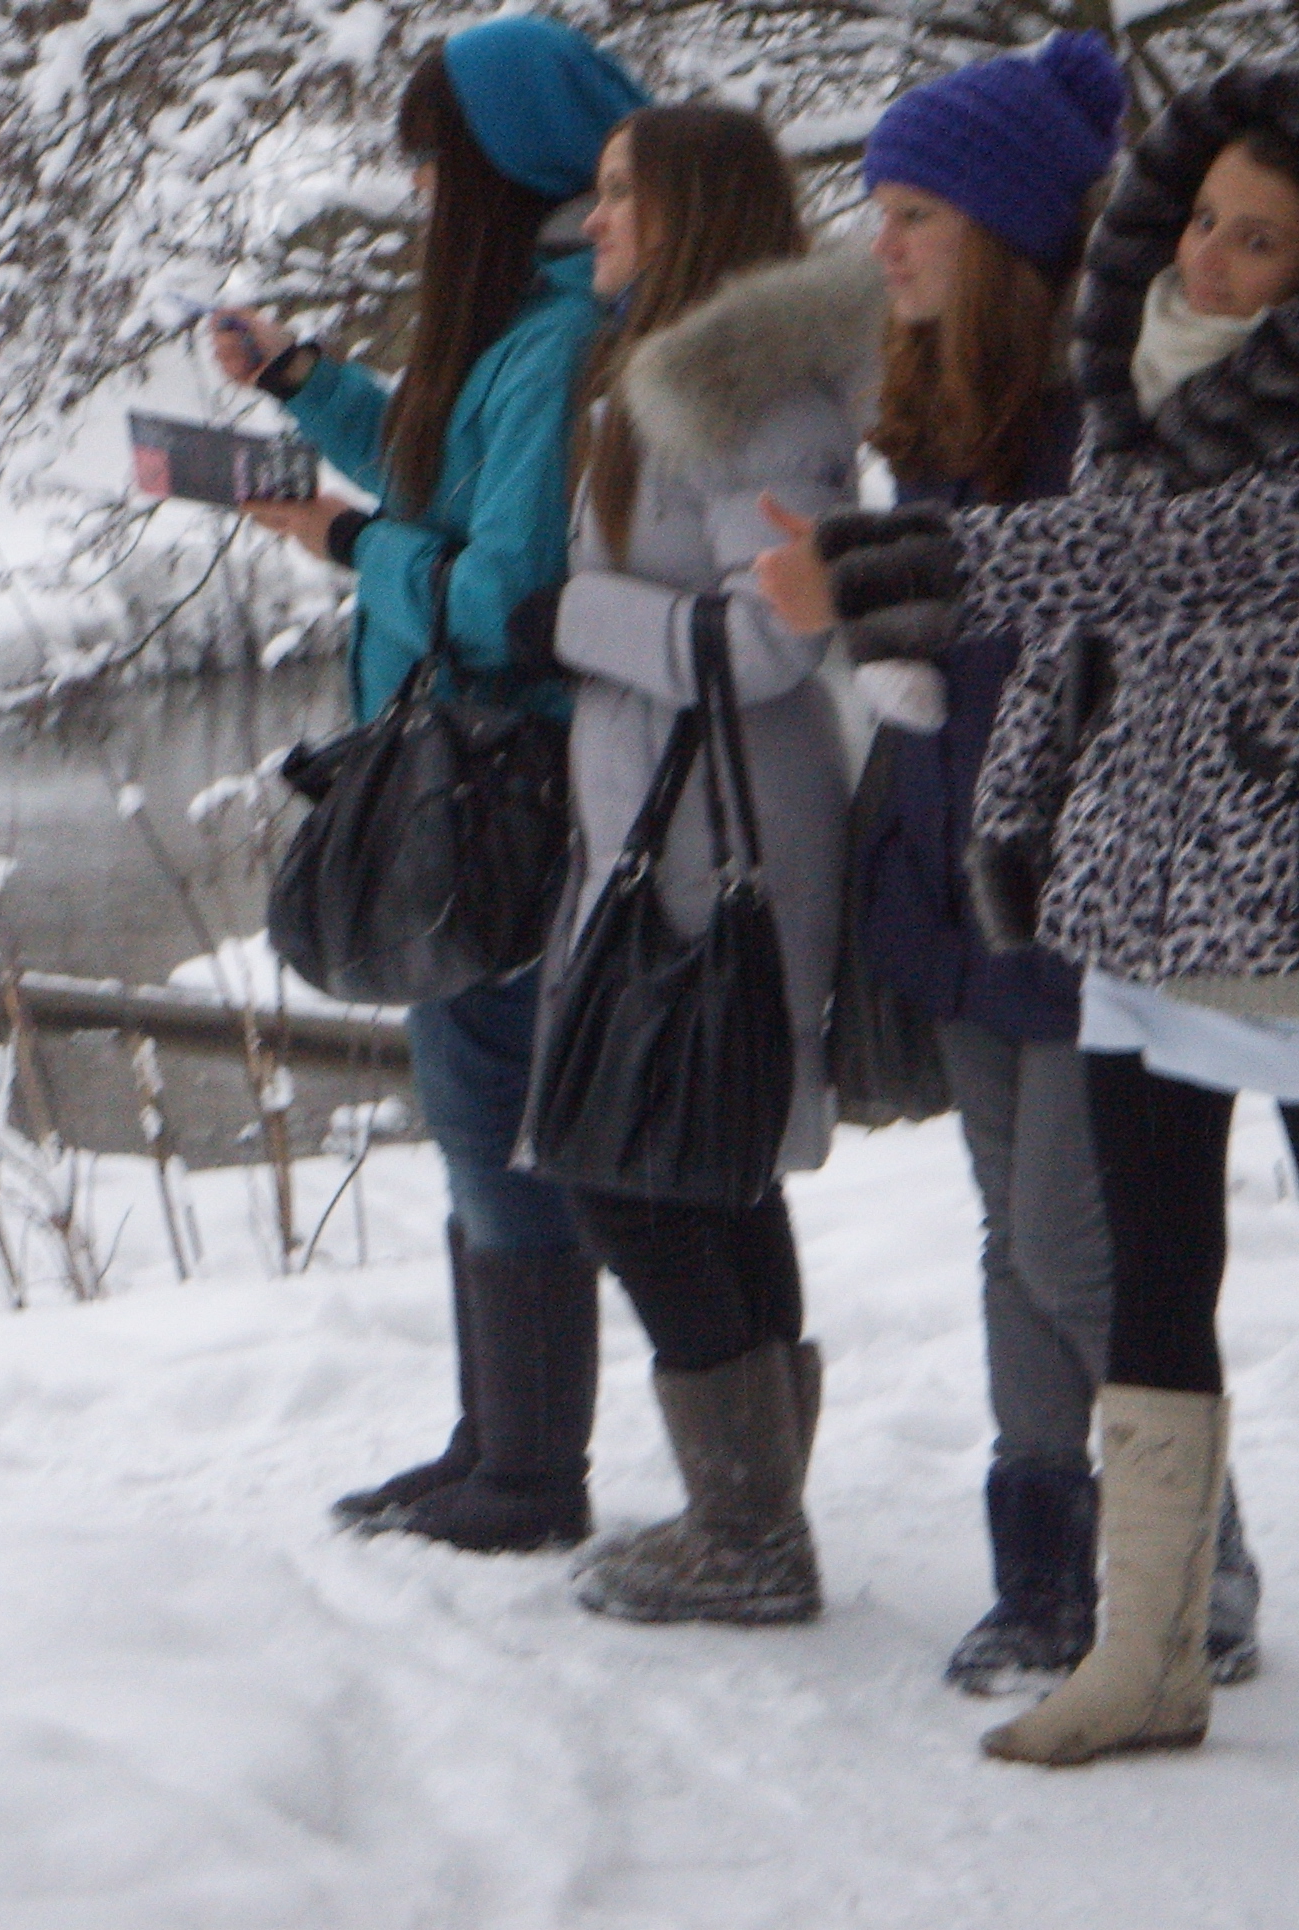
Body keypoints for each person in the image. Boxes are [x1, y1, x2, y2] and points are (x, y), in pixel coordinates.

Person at [773, 61, 1299, 1821]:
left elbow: (1155, 565)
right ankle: (1146, 1659)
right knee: (1155, 1293)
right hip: (1130, 922)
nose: (1221, 265)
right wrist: (1019, 830)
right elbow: (1083, 657)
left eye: (1266, 241)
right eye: (1208, 227)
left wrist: (876, 572)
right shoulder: (1142, 405)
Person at [778, 35, 1265, 1696]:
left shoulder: (1122, 410)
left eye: (912, 214)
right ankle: (1048, 1569)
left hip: (1091, 890)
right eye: (879, 211)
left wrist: (882, 593)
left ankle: (1199, 1565)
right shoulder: (936, 401)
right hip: (962, 877)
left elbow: (1103, 643)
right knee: (1015, 1234)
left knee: (1076, 1240)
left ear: (994, 231)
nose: (883, 244)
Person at [214, 17, 646, 1553]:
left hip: (498, 790)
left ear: (490, 169)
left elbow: (497, 588)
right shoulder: (530, 313)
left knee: (490, 1108)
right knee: (474, 1103)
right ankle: (495, 1441)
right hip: (472, 776)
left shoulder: (552, 342)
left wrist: (341, 543)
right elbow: (440, 470)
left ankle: (530, 1472)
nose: (410, 188)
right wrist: (308, 384)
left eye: (424, 160)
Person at [502, 102, 865, 1625]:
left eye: (620, 196)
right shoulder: (680, 379)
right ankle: (756, 1521)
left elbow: (780, 632)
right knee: (703, 1168)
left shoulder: (749, 397)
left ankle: (751, 1536)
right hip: (683, 833)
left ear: (694, 211)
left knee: (632, 1176)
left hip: (717, 852)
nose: (596, 223)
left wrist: (572, 622)